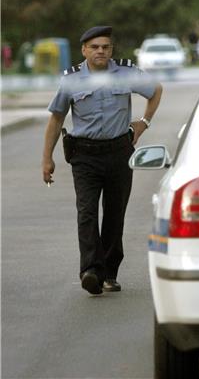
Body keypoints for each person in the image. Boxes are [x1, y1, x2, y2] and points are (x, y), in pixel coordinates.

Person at [41, 26, 163, 295]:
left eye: (105, 47)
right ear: (84, 50)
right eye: (95, 47)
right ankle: (90, 271)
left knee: (114, 213)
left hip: (120, 151)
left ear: (111, 50)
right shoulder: (72, 80)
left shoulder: (125, 73)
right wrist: (46, 158)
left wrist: (143, 123)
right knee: (86, 213)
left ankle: (109, 272)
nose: (100, 51)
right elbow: (57, 118)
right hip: (84, 155)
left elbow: (155, 90)